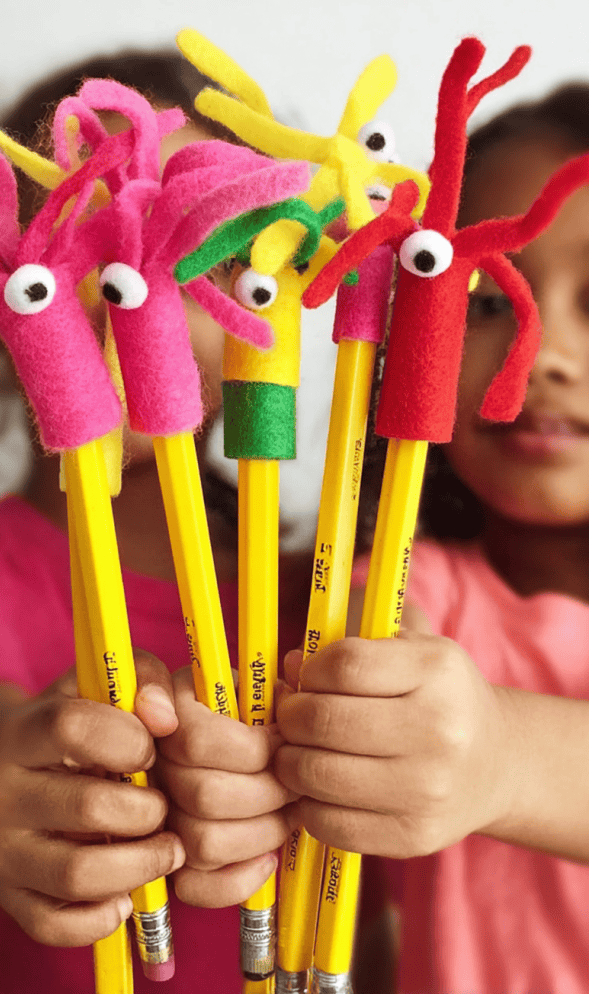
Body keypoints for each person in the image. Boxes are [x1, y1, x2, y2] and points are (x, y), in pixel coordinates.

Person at [156, 83, 589, 994]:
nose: (542, 350)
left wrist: (506, 757)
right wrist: (244, 767)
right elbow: (364, 643)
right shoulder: (408, 584)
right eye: (480, 301)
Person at [0, 48, 316, 994]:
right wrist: (14, 773)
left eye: (190, 252)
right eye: (74, 249)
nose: (129, 296)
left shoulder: (328, 595)